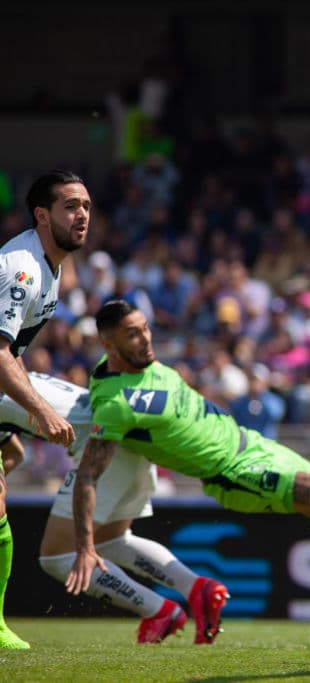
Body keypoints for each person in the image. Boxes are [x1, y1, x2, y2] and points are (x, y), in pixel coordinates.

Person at [66, 300, 310, 640]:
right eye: (133, 334)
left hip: (252, 444)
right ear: (109, 346)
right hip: (235, 472)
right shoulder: (115, 404)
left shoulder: (141, 363)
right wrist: (85, 545)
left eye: (145, 327)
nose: (146, 338)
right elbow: (88, 475)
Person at [0, 371, 229, 644]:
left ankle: (159, 610)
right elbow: (14, 452)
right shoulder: (13, 371)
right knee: (112, 540)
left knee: (58, 557)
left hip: (101, 446)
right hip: (131, 438)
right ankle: (197, 588)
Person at [0, 170, 92, 649]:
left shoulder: (53, 266)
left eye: (87, 207)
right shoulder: (22, 268)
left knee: (10, 461)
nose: (82, 216)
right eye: (71, 206)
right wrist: (41, 411)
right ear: (42, 214)